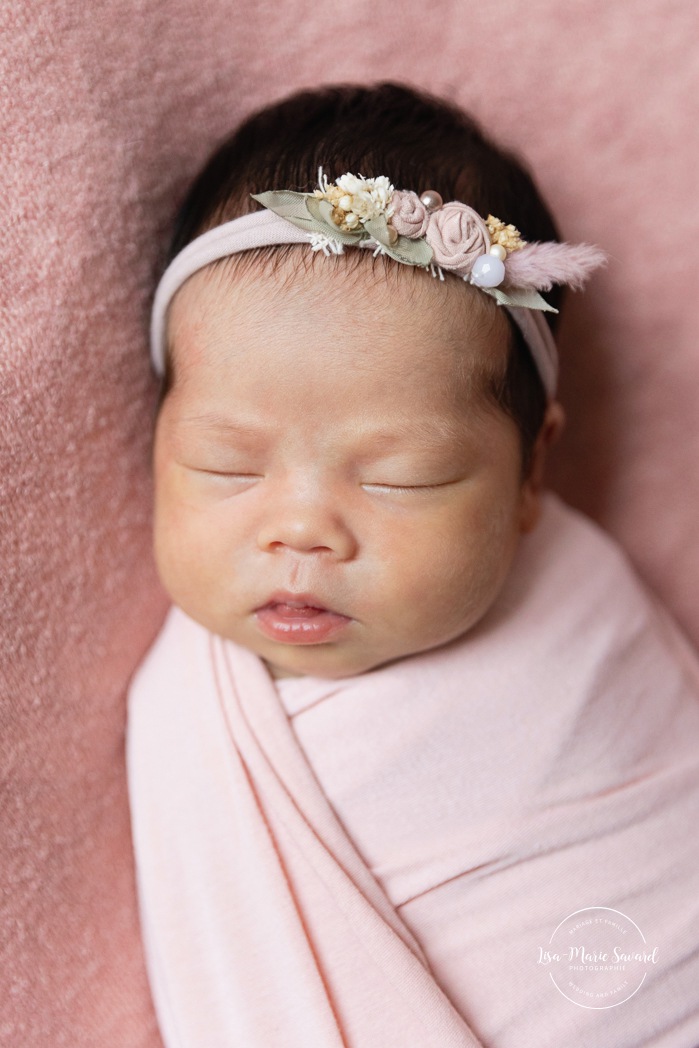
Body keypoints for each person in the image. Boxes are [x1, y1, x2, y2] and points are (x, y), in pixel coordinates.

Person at [126, 83, 699, 1047]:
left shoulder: (585, 605)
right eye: (225, 466)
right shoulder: (189, 721)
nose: (303, 532)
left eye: (402, 478)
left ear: (530, 473)